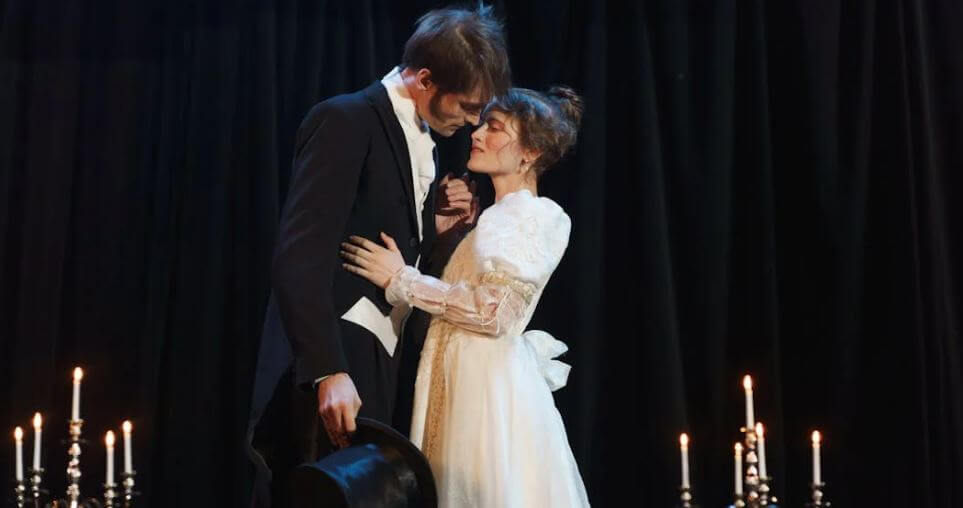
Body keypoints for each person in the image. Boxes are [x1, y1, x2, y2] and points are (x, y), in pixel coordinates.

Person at [245, 6, 510, 506]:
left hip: (380, 361)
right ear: (426, 79)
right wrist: (328, 370)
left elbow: (391, 246)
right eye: (469, 106)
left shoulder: (426, 142)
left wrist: (439, 234)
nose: (474, 121)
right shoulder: (346, 119)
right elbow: (299, 256)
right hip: (337, 363)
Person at [341, 86, 591, 507]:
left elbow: (496, 314)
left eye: (494, 128)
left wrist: (401, 278)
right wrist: (447, 237)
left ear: (528, 152)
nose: (476, 134)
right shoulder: (493, 220)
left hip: (487, 392)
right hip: (458, 378)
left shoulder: (536, 215)